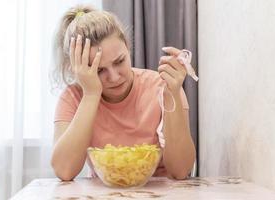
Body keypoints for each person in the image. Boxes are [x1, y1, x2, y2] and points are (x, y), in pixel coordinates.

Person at [51, 4, 196, 181]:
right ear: (77, 69)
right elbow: (64, 170)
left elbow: (180, 171)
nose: (114, 77)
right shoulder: (73, 97)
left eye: (119, 61)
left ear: (127, 47)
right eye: (99, 70)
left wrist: (172, 94)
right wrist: (90, 95)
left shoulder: (162, 86)